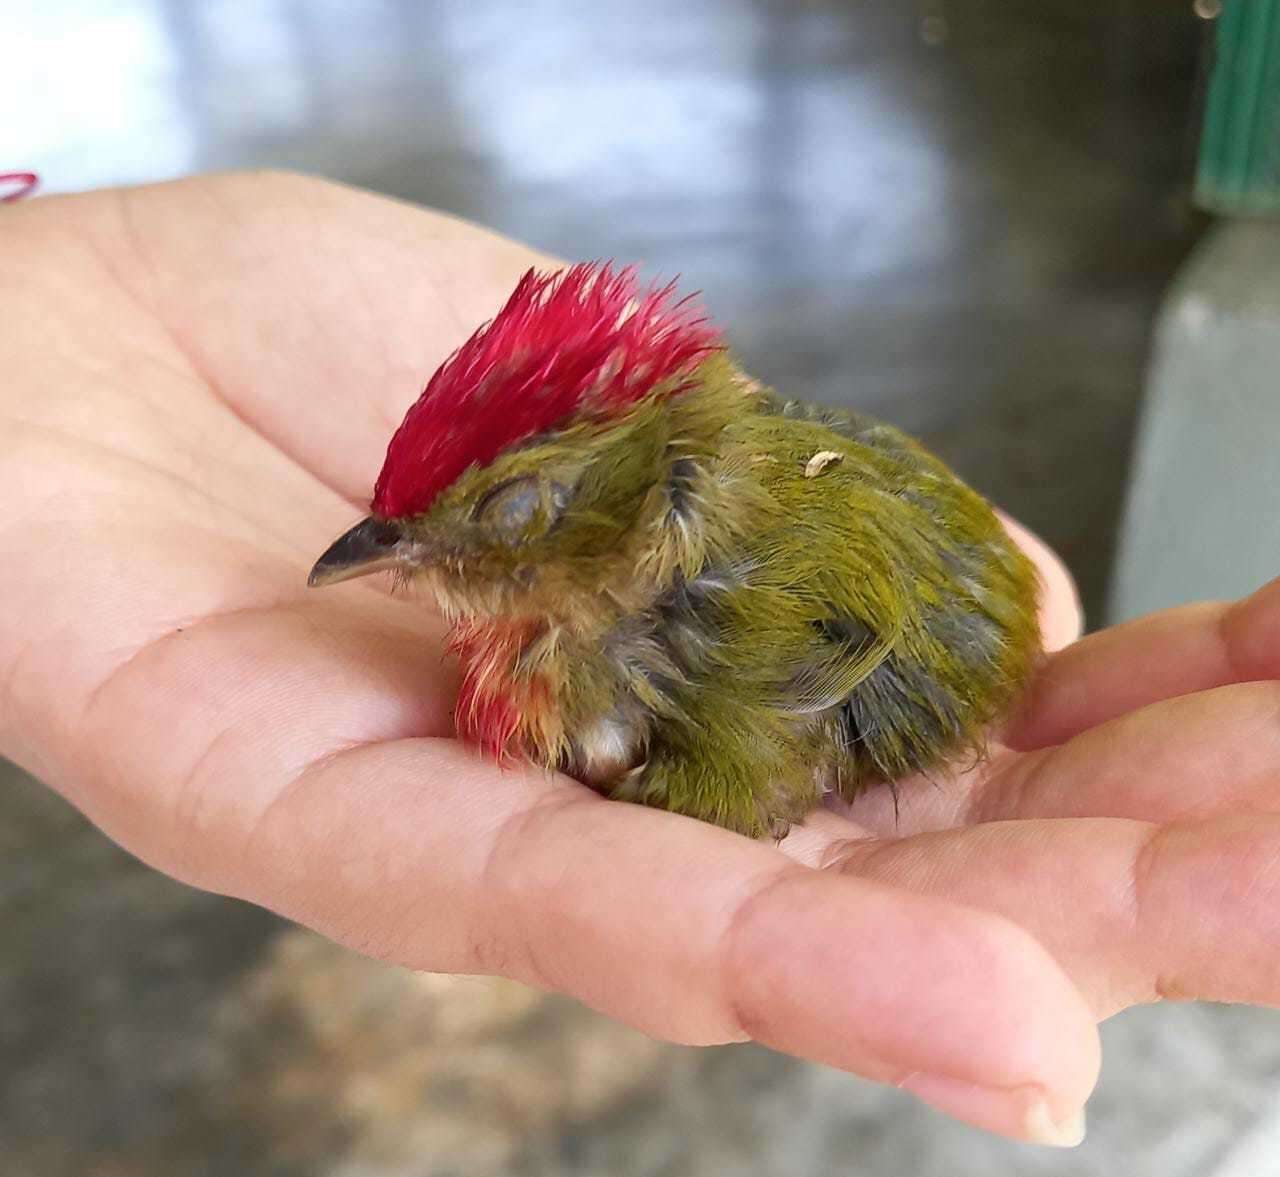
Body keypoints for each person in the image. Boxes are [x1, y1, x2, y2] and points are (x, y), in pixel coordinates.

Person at [3, 172, 1277, 1147]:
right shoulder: (622, 582)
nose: (395, 551)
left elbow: (723, 775)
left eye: (505, 516)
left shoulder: (698, 663)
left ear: (641, 510)